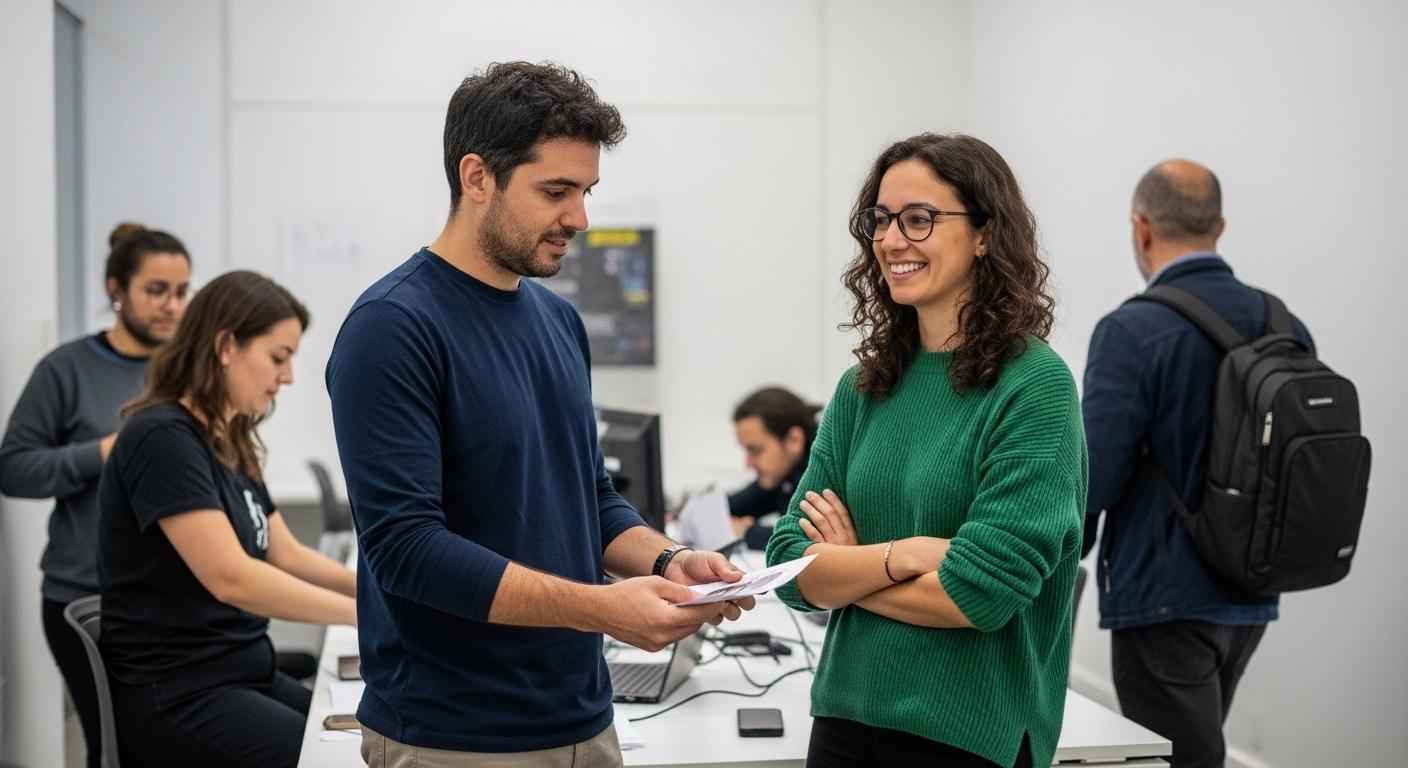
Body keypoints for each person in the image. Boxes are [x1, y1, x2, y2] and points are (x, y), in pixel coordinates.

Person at [325, 61, 753, 768]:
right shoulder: (391, 327)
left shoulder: (558, 321)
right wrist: (604, 607)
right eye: (555, 191)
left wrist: (672, 561)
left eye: (585, 192)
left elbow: (589, 499)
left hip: (582, 720)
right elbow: (406, 550)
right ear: (476, 178)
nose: (579, 219)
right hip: (455, 737)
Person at [766, 133, 1086, 768]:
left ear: (985, 234)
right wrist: (904, 556)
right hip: (846, 714)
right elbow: (789, 566)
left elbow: (979, 593)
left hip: (968, 731)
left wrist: (848, 568)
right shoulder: (864, 387)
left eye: (919, 219)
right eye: (881, 220)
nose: (889, 240)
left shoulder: (1034, 387)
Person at [1081, 159, 1314, 768]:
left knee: (1174, 760)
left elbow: (1093, 477)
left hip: (1161, 593)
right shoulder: (1285, 325)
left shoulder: (1130, 331)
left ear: (1141, 228)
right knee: (1198, 750)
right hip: (1253, 589)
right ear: (1220, 225)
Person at [97, 270, 357, 768]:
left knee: (373, 742)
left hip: (241, 673)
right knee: (338, 761)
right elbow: (230, 578)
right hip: (180, 695)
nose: (288, 377)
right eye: (278, 358)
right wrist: (368, 618)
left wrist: (373, 595)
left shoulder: (229, 440)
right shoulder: (162, 438)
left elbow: (286, 553)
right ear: (225, 346)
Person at [0, 222, 190, 768]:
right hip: (87, 599)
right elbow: (14, 469)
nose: (171, 306)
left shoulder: (185, 370)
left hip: (174, 599)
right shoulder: (66, 369)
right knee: (115, 750)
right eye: (156, 291)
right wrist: (105, 450)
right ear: (116, 290)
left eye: (181, 292)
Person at [727, 386, 819, 550]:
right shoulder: (783, 474)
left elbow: (803, 537)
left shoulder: (821, 476)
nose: (748, 464)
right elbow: (733, 504)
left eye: (755, 450)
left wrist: (745, 532)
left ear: (794, 440)